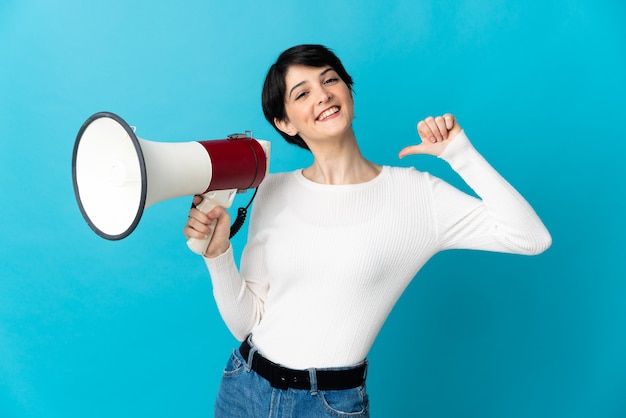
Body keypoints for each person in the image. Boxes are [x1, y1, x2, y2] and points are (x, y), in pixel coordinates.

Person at [183, 44, 551, 418]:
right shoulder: (271, 190)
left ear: (349, 92)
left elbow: (531, 237)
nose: (323, 94)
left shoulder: (416, 195)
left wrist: (460, 154)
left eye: (330, 80)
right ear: (285, 123)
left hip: (327, 405)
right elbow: (248, 324)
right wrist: (217, 255)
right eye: (303, 93)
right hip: (244, 388)